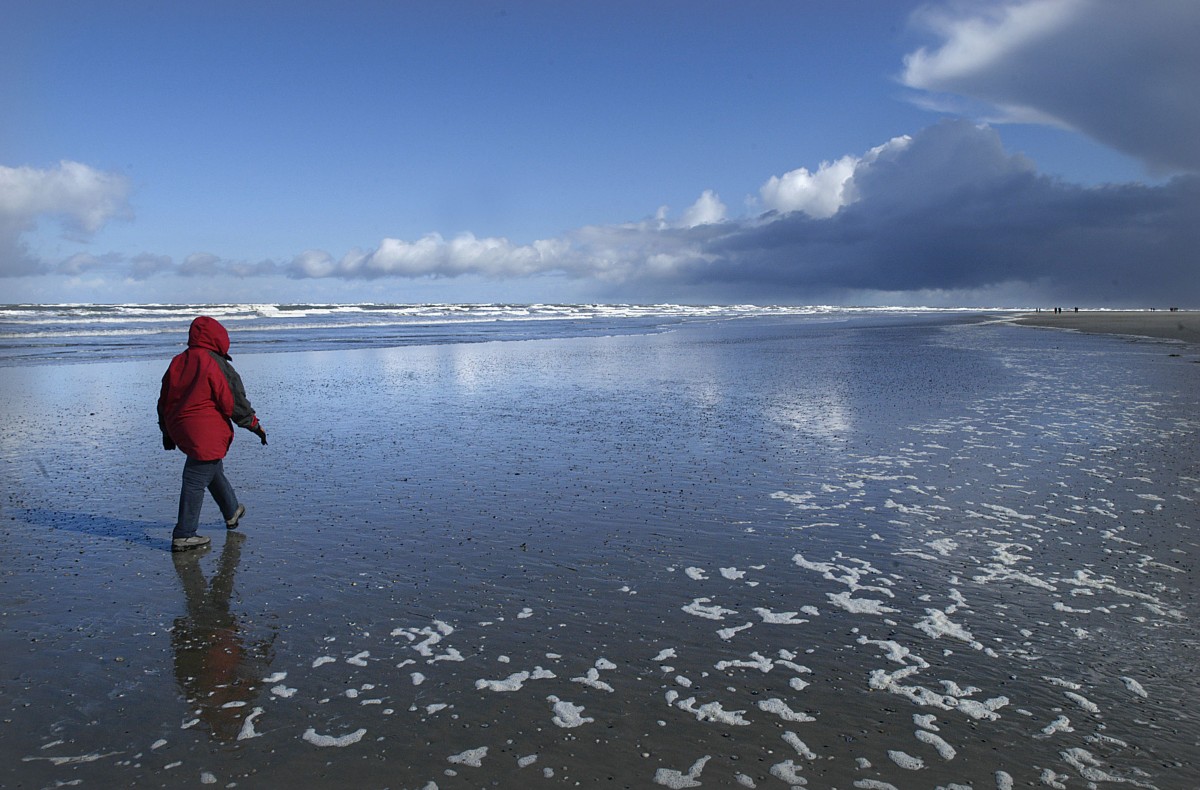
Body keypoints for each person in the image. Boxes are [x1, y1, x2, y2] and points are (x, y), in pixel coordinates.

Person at [159, 316, 267, 552]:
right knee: (195, 478)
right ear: (219, 338)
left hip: (181, 428)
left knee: (210, 467)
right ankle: (184, 535)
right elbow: (234, 400)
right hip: (206, 431)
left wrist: (167, 431)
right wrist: (254, 425)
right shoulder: (216, 363)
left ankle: (232, 511)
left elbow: (164, 400)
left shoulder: (178, 361)